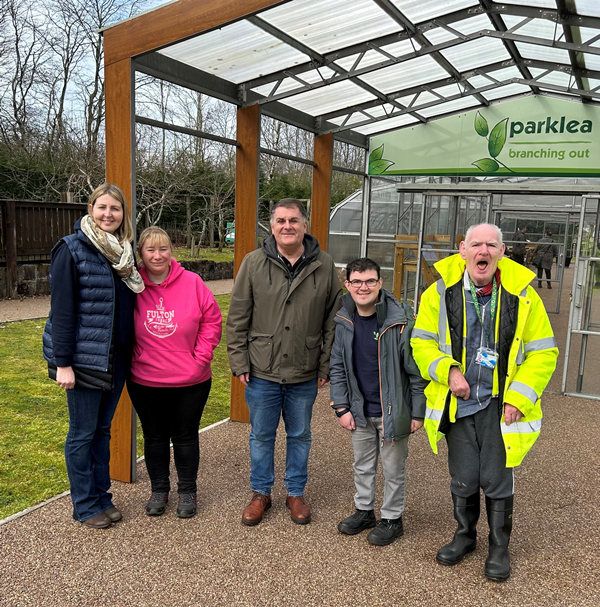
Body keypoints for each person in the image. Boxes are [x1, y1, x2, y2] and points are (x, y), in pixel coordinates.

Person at [411, 223, 558, 582]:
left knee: (495, 479)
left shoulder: (524, 296)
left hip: (497, 404)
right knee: (462, 478)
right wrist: (448, 372)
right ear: (463, 249)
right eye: (476, 244)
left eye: (491, 245)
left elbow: (543, 353)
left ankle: (498, 546)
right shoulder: (439, 293)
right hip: (458, 402)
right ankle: (464, 537)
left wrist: (519, 396)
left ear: (502, 251)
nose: (484, 251)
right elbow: (421, 343)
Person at [227, 198, 342, 526]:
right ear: (272, 226)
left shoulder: (324, 265)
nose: (287, 226)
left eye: (294, 220)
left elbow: (333, 322)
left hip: (304, 371)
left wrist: (324, 366)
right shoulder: (253, 263)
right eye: (280, 221)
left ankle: (295, 492)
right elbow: (237, 318)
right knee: (261, 435)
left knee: (300, 434)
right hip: (262, 368)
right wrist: (239, 361)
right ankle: (261, 492)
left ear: (305, 226)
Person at [43, 183, 143, 528]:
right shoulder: (71, 249)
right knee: (82, 433)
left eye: (115, 209)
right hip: (84, 360)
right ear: (90, 208)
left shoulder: (123, 253)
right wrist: (63, 363)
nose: (108, 214)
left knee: (102, 431)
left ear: (122, 214)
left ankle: (103, 496)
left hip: (116, 359)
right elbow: (63, 312)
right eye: (102, 207)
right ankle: (84, 504)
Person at [329, 258, 427, 546]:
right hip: (358, 410)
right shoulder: (344, 319)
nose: (364, 287)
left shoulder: (398, 321)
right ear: (347, 285)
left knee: (393, 468)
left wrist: (417, 411)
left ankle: (392, 518)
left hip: (393, 411)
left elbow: (416, 369)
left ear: (380, 283)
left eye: (370, 280)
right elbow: (337, 367)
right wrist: (341, 407)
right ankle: (364, 511)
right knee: (362, 465)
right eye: (357, 281)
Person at [128, 227, 222, 519]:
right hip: (145, 379)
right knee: (154, 437)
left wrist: (200, 357)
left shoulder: (193, 282)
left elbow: (212, 320)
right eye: (150, 250)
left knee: (185, 436)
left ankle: (187, 490)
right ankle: (159, 489)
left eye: (163, 249)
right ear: (141, 254)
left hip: (190, 379)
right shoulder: (131, 285)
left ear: (172, 251)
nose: (158, 255)